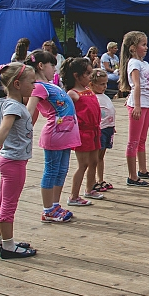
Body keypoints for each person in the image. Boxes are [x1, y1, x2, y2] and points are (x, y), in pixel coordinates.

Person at [24, 50, 77, 222]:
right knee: (52, 171)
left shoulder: (51, 85)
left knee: (62, 170)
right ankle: (48, 209)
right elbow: (30, 110)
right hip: (55, 134)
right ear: (40, 66)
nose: (55, 68)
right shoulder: (38, 87)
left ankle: (55, 205)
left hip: (66, 134)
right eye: (52, 65)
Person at [0, 62, 38, 258]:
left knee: (2, 201)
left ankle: (1, 240)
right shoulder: (13, 107)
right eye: (32, 82)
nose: (35, 86)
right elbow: (3, 130)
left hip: (9, 160)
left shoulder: (6, 103)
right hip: (14, 162)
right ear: (18, 84)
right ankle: (8, 247)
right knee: (8, 205)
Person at [119, 31, 149, 187]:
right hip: (138, 105)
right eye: (143, 44)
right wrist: (137, 106)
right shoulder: (134, 63)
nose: (146, 48)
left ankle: (142, 169)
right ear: (133, 48)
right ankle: (132, 176)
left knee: (142, 139)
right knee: (133, 141)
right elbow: (136, 85)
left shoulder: (145, 63)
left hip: (147, 104)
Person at [63, 57, 102, 206]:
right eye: (87, 73)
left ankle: (90, 188)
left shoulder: (88, 90)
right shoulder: (72, 94)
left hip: (94, 130)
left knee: (94, 161)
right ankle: (73, 196)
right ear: (76, 75)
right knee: (83, 164)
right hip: (83, 132)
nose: (90, 76)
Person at [91, 69, 115, 192]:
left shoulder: (104, 96)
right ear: (92, 84)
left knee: (101, 157)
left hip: (108, 129)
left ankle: (100, 179)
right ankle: (92, 181)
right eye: (101, 84)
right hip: (99, 130)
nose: (105, 86)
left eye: (106, 83)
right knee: (94, 158)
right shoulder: (93, 98)